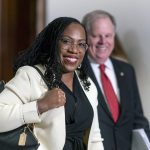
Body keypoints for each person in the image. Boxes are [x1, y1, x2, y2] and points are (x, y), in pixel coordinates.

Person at [0, 17, 104, 150]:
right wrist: (39, 106)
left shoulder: (87, 83)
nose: (74, 49)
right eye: (66, 41)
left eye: (81, 44)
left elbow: (94, 137)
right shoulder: (31, 75)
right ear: (53, 43)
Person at [82, 10, 150, 150]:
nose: (103, 41)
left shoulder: (126, 70)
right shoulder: (76, 72)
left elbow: (138, 118)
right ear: (85, 37)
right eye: (96, 36)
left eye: (108, 35)